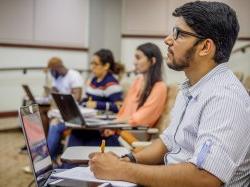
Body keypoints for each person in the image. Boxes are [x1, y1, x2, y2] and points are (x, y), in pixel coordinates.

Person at [89, 1, 250, 187]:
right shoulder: (190, 88)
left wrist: (121, 170)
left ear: (205, 47)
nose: (168, 40)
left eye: (179, 34)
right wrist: (129, 160)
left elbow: (205, 178)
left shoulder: (225, 98)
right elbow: (167, 141)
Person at [47, 49, 123, 160]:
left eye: (95, 64)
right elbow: (87, 100)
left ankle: (54, 161)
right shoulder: (94, 80)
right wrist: (83, 103)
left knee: (60, 128)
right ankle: (59, 163)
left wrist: (97, 104)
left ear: (106, 65)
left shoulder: (111, 83)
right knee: (61, 125)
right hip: (88, 122)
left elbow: (119, 107)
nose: (92, 67)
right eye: (91, 63)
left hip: (99, 127)